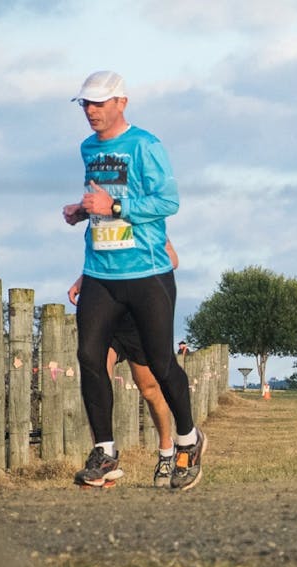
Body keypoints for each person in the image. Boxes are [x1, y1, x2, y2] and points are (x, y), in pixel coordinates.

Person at [61, 70, 204, 490]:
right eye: (85, 104)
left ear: (121, 103)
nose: (91, 111)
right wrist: (84, 211)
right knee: (89, 356)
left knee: (160, 365)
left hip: (148, 274)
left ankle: (188, 440)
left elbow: (168, 201)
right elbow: (103, 205)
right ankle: (105, 452)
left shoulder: (146, 145)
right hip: (100, 274)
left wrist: (115, 205)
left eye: (99, 103)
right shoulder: (88, 148)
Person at [69, 239, 180, 486]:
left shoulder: (143, 218)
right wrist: (84, 279)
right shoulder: (102, 222)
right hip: (107, 315)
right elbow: (101, 262)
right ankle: (103, 457)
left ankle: (166, 450)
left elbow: (172, 259)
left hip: (138, 319)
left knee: (149, 389)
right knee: (97, 372)